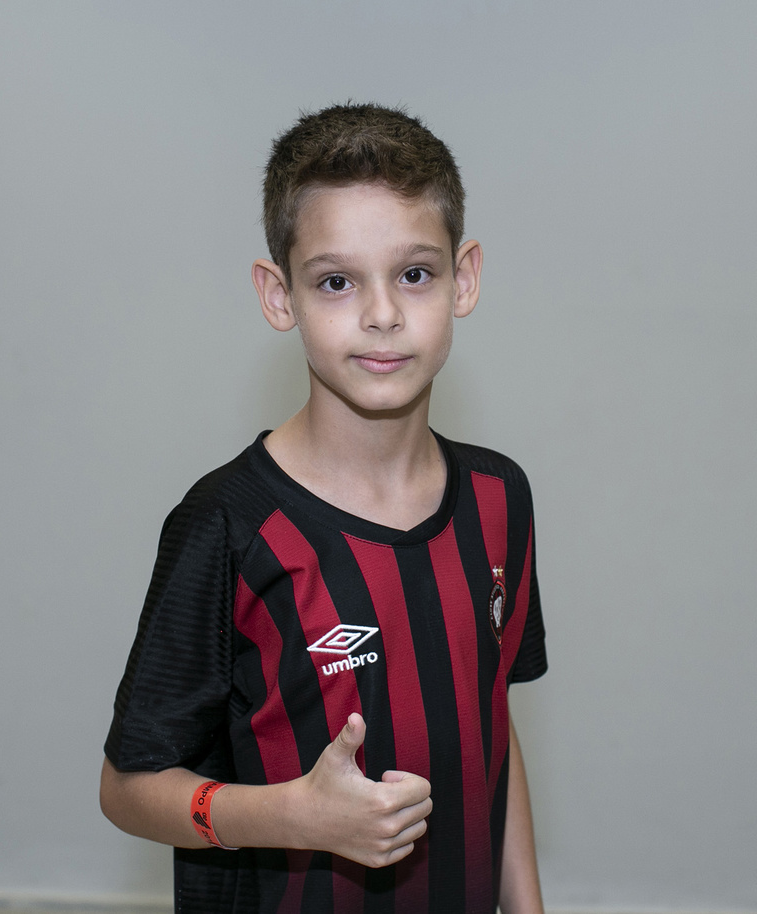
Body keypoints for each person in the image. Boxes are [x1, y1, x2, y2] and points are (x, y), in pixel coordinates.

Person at [100, 103, 547, 914]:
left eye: (415, 274)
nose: (382, 314)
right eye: (336, 282)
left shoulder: (499, 498)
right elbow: (127, 790)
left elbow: (493, 721)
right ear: (280, 297)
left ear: (465, 278)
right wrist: (294, 816)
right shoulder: (229, 525)